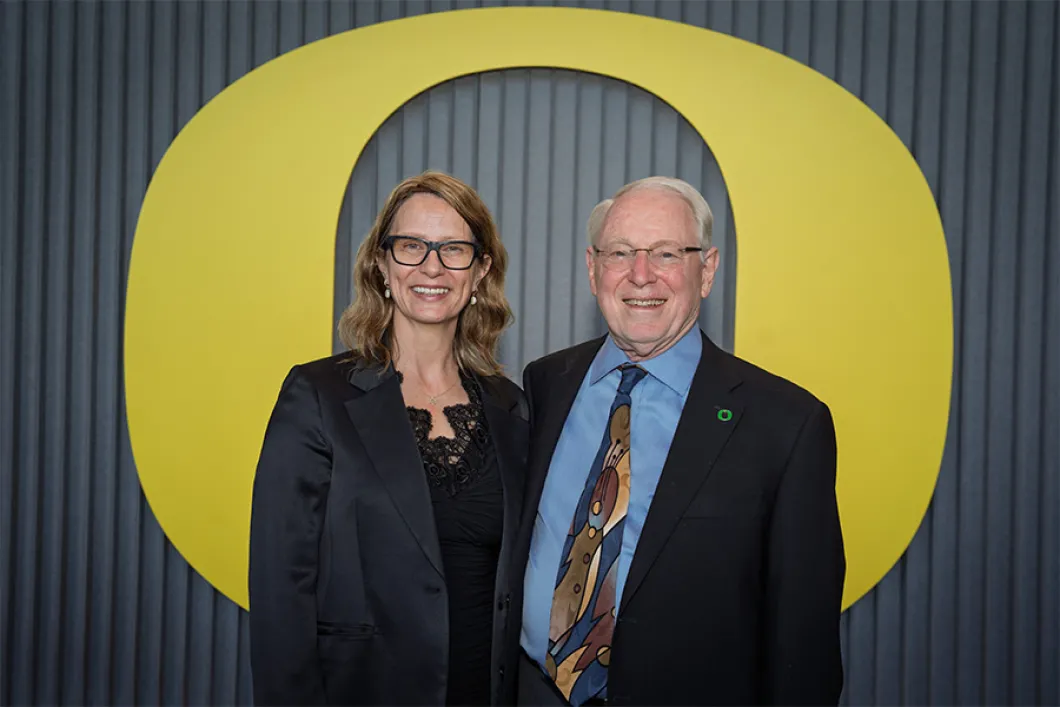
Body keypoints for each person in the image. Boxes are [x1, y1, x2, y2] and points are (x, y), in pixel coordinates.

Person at [506, 176, 845, 706]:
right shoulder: (546, 383)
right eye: (620, 252)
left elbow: (804, 643)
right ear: (593, 268)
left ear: (706, 271)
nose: (641, 275)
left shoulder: (787, 424)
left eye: (666, 253)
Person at [249, 171, 529, 706]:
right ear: (381, 265)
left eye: (453, 249)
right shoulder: (317, 396)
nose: (431, 266)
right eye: (411, 246)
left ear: (481, 271)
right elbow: (281, 591)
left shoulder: (512, 409)